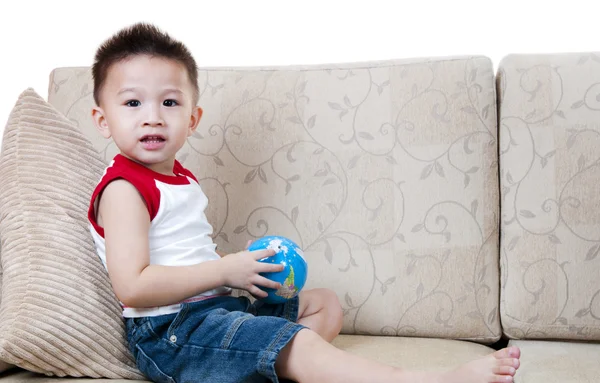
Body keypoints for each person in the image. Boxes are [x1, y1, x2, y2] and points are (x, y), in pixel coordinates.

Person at [87, 22, 521, 383]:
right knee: (299, 340)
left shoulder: (179, 177)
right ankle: (425, 381)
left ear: (193, 118)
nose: (152, 116)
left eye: (169, 102)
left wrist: (246, 275)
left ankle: (266, 364)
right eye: (132, 103)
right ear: (103, 121)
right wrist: (225, 269)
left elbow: (184, 254)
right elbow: (134, 285)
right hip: (172, 332)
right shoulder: (125, 189)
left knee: (324, 303)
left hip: (213, 310)